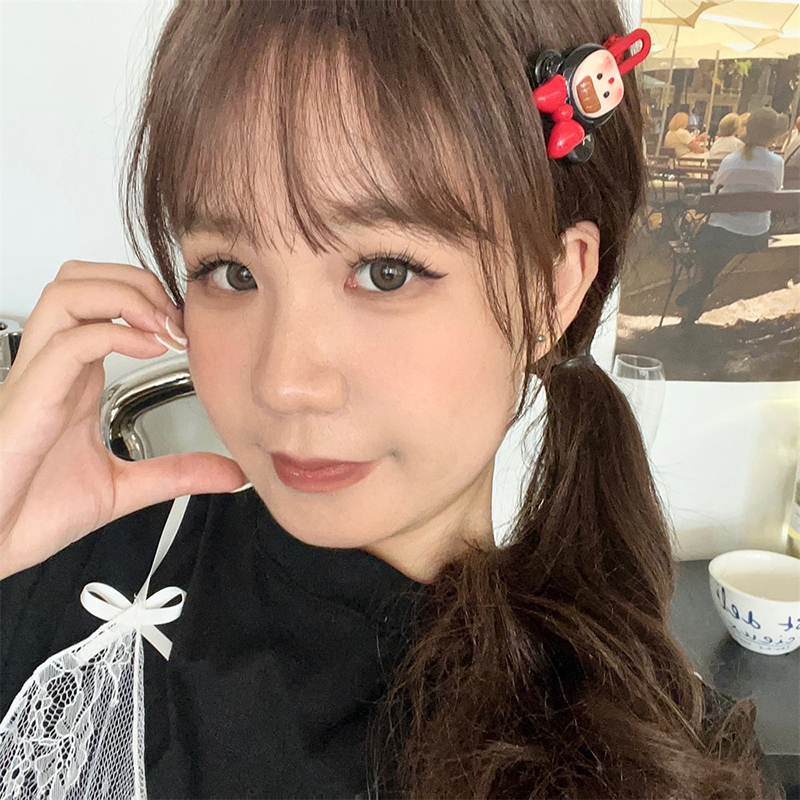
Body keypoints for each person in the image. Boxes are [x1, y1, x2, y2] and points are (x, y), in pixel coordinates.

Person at [0, 2, 775, 798]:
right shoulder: (54, 555)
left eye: (386, 272)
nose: (284, 383)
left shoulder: (653, 762)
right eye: (231, 272)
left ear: (553, 288)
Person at [676, 107, 785, 325]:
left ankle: (701, 290)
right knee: (718, 252)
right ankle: (703, 287)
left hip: (720, 235)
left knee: (708, 246)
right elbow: (776, 190)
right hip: (756, 235)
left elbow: (716, 190)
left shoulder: (731, 160)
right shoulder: (776, 163)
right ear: (772, 136)